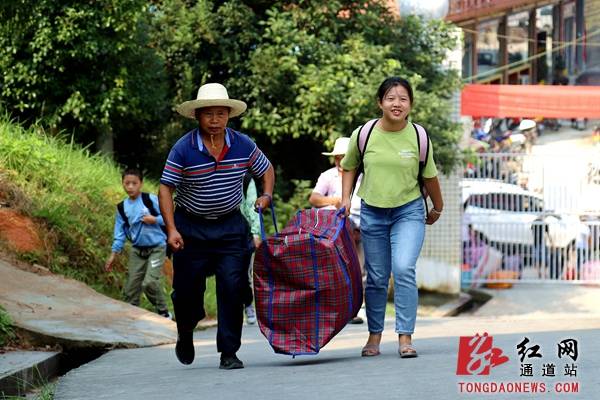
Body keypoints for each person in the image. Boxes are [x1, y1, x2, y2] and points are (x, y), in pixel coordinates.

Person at [158, 83, 274, 370]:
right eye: (208, 114)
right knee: (186, 293)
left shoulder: (243, 144)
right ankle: (186, 330)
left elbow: (266, 169)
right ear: (197, 116)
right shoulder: (184, 148)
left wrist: (266, 194)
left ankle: (229, 352)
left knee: (233, 286)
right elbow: (165, 188)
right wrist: (172, 229)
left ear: (228, 116)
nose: (214, 119)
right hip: (190, 228)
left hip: (230, 227)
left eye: (220, 114)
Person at [340, 77, 443, 358]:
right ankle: (374, 336)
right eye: (391, 98)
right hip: (372, 211)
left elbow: (430, 175)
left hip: (408, 211)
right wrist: (346, 198)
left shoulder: (419, 136)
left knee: (403, 268)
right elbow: (349, 167)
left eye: (403, 99)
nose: (397, 104)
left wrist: (437, 207)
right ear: (380, 102)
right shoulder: (364, 134)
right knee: (376, 277)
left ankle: (405, 337)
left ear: (410, 104)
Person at [309, 137, 365, 324]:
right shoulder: (328, 176)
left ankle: (354, 309)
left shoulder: (364, 176)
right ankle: (332, 309)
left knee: (358, 269)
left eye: (344, 157)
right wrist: (334, 201)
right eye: (337, 157)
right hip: (334, 227)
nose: (340, 161)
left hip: (361, 226)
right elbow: (314, 198)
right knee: (335, 269)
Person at [105, 168, 171, 319]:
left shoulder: (150, 200)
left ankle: (164, 312)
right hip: (137, 250)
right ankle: (131, 317)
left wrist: (154, 219)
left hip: (157, 247)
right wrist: (113, 254)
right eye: (126, 183)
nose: (130, 187)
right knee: (131, 288)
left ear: (140, 184)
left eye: (134, 183)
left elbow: (169, 217)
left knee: (149, 283)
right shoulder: (122, 208)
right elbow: (120, 233)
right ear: (122, 184)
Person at [240, 172, 260, 325]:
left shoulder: (246, 178)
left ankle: (248, 304)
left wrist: (255, 232)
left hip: (242, 231)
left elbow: (252, 204)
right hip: (213, 230)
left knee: (244, 273)